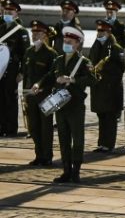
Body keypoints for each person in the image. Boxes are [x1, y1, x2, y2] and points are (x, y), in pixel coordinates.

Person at [32, 27, 95, 183]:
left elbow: (93, 80)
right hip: (60, 105)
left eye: (70, 42)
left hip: (75, 105)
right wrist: (38, 84)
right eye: (65, 41)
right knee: (63, 138)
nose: (66, 44)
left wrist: (72, 80)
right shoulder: (59, 60)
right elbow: (49, 75)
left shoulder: (83, 62)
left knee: (77, 139)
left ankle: (76, 171)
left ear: (77, 44)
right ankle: (66, 170)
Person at [23, 20, 57, 165]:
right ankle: (38, 155)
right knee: (33, 127)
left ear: (45, 35)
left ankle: (47, 156)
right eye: (33, 32)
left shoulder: (51, 54)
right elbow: (26, 74)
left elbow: (53, 75)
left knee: (46, 127)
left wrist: (43, 86)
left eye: (38, 33)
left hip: (45, 95)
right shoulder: (29, 52)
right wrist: (25, 93)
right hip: (31, 95)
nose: (34, 35)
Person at [89, 19, 125, 153]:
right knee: (101, 116)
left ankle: (108, 144)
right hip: (98, 88)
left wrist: (106, 73)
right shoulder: (96, 46)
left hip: (111, 89)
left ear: (109, 32)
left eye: (102, 31)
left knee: (110, 118)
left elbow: (122, 67)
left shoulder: (116, 48)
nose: (99, 33)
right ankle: (101, 143)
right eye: (98, 30)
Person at [0, 0, 29, 137]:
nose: (7, 14)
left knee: (10, 98)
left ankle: (11, 128)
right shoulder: (1, 27)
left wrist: (22, 72)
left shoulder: (21, 31)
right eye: (6, 11)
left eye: (10, 12)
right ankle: (1, 127)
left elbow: (25, 55)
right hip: (0, 67)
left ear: (16, 13)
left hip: (12, 69)